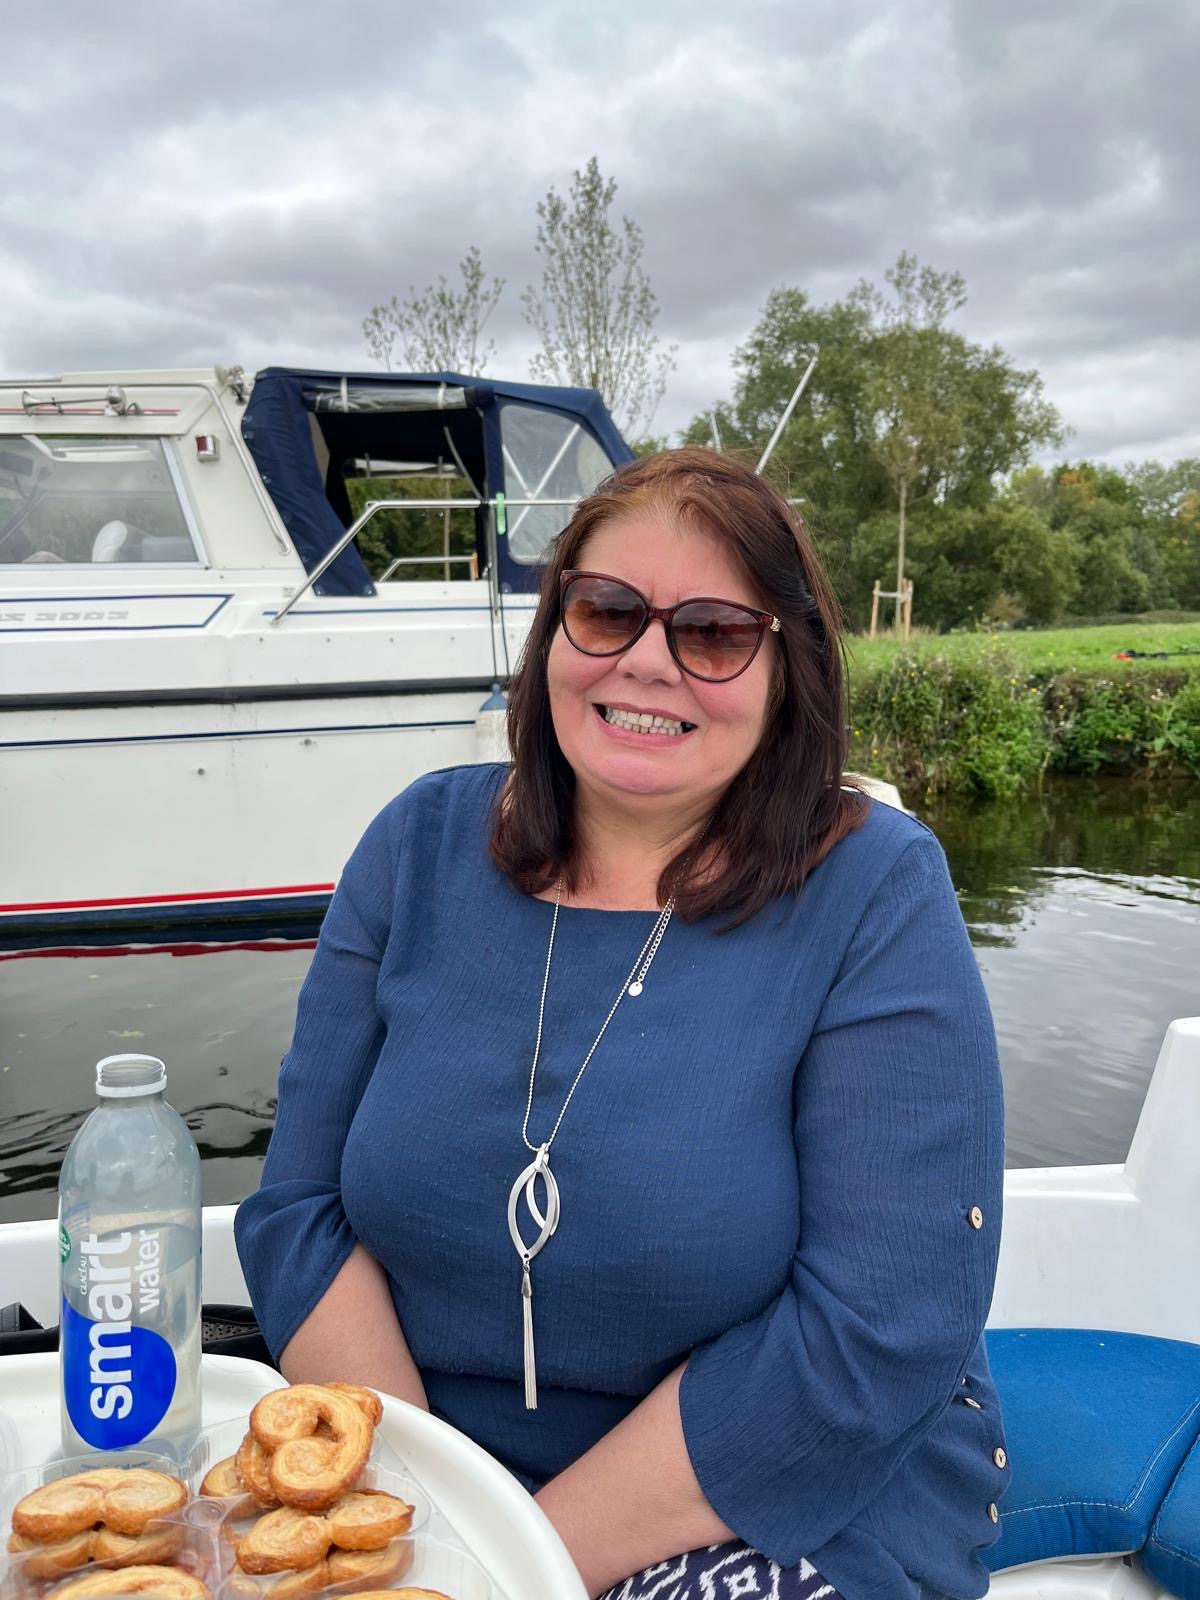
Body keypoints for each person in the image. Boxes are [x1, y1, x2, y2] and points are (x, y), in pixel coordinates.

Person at [235, 448, 1009, 1600]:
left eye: (711, 633)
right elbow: (296, 1213)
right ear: (555, 632)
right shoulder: (418, 846)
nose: (647, 660)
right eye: (606, 612)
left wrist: (513, 1567)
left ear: (785, 666)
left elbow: (879, 1329)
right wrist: (423, 1513)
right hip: (424, 1464)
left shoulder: (873, 888)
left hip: (773, 1487)